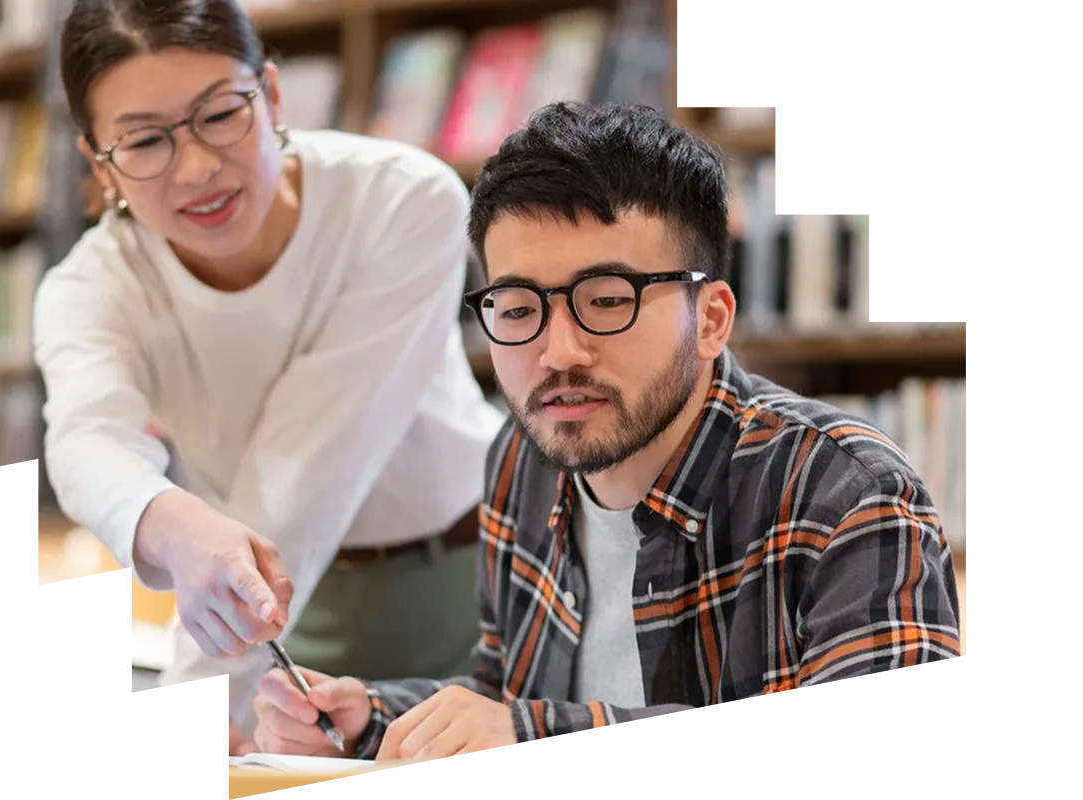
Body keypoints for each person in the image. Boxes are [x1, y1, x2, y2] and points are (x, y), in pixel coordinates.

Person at [248, 100, 964, 759]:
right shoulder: (520, 460)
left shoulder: (847, 492)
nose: (558, 353)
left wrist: (534, 731)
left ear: (711, 318)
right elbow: (506, 696)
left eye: (607, 299)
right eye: (519, 307)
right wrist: (371, 719)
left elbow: (526, 724)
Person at [32, 0, 505, 748]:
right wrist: (174, 522)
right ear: (99, 161)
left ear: (273, 95)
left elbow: (313, 457)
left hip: (466, 582)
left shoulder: (402, 200)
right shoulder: (91, 287)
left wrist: (202, 686)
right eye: (146, 141)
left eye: (221, 114)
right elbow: (88, 440)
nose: (196, 168)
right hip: (277, 606)